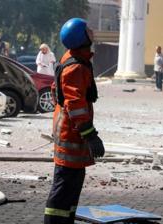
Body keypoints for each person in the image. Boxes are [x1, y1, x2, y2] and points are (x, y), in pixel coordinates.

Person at [44, 18, 105, 224]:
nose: (92, 32)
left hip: (73, 135)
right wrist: (91, 136)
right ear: (81, 37)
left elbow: (56, 91)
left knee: (72, 186)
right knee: (63, 189)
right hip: (71, 135)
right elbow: (75, 105)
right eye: (88, 30)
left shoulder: (74, 59)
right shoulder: (76, 67)